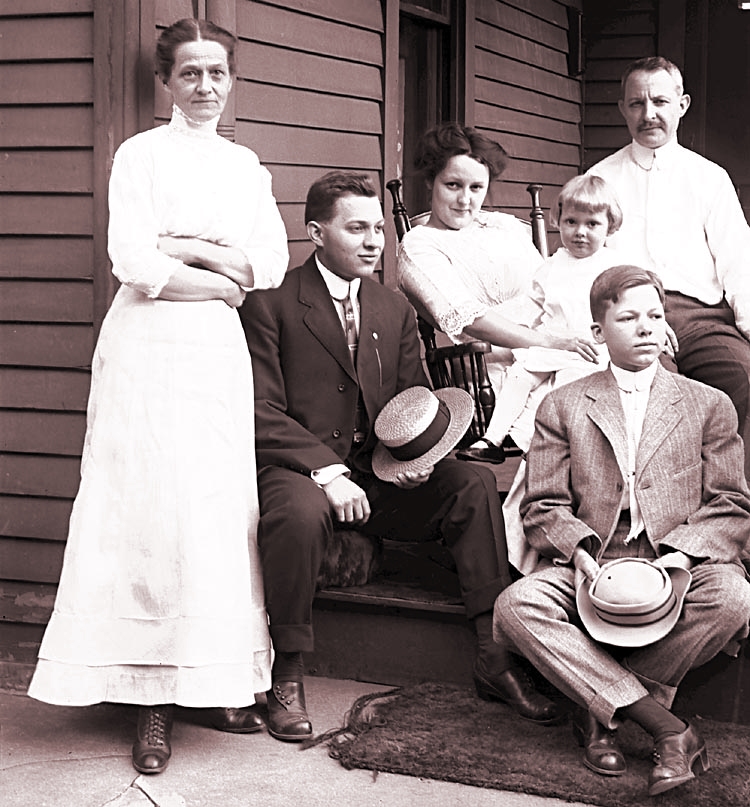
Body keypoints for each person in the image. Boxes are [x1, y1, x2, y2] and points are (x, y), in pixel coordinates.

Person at [27, 18, 289, 775]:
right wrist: (220, 277)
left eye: (217, 73)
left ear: (231, 79)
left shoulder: (245, 165)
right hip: (145, 348)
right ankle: (148, 699)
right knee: (143, 504)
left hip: (212, 356)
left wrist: (191, 249)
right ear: (165, 82)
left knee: (209, 507)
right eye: (189, 74)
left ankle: (214, 676)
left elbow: (265, 264)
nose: (205, 87)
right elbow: (134, 261)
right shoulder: (139, 154)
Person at [239, 170, 561, 742]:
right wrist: (328, 472)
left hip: (377, 474)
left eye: (378, 229)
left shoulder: (392, 308)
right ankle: (285, 668)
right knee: (296, 513)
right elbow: (261, 410)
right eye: (355, 228)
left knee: (470, 485)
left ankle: (492, 652)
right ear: (315, 233)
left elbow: (411, 402)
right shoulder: (271, 303)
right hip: (301, 468)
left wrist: (420, 459)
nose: (373, 242)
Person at [494, 264, 750, 797]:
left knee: (733, 597)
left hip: (678, 563)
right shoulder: (563, 404)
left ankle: (598, 711)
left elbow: (730, 504)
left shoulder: (708, 404)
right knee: (517, 607)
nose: (646, 327)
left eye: (655, 316)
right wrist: (582, 556)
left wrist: (680, 559)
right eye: (629, 317)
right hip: (597, 559)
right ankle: (666, 727)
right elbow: (543, 503)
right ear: (597, 332)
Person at [397, 122, 598, 465]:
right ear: (431, 181)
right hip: (492, 369)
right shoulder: (419, 245)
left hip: (557, 349)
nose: (465, 199)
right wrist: (549, 342)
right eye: (453, 185)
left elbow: (555, 286)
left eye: (477, 187)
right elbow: (470, 321)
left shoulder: (503, 226)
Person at [588, 56, 750, 479]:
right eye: (637, 103)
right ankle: (664, 506)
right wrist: (634, 319)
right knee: (655, 388)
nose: (649, 114)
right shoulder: (601, 179)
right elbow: (587, 262)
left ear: (683, 104)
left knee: (742, 375)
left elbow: (739, 260)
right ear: (623, 109)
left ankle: (729, 500)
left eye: (660, 101)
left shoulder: (709, 178)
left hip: (704, 319)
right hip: (630, 315)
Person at [475, 174, 624, 453]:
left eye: (592, 224)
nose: (580, 231)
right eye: (571, 222)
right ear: (559, 221)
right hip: (551, 343)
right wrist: (506, 335)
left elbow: (637, 302)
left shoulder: (615, 266)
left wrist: (659, 325)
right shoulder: (552, 266)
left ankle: (538, 444)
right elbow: (531, 308)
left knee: (560, 391)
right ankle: (492, 439)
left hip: (589, 350)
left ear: (610, 226)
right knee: (519, 374)